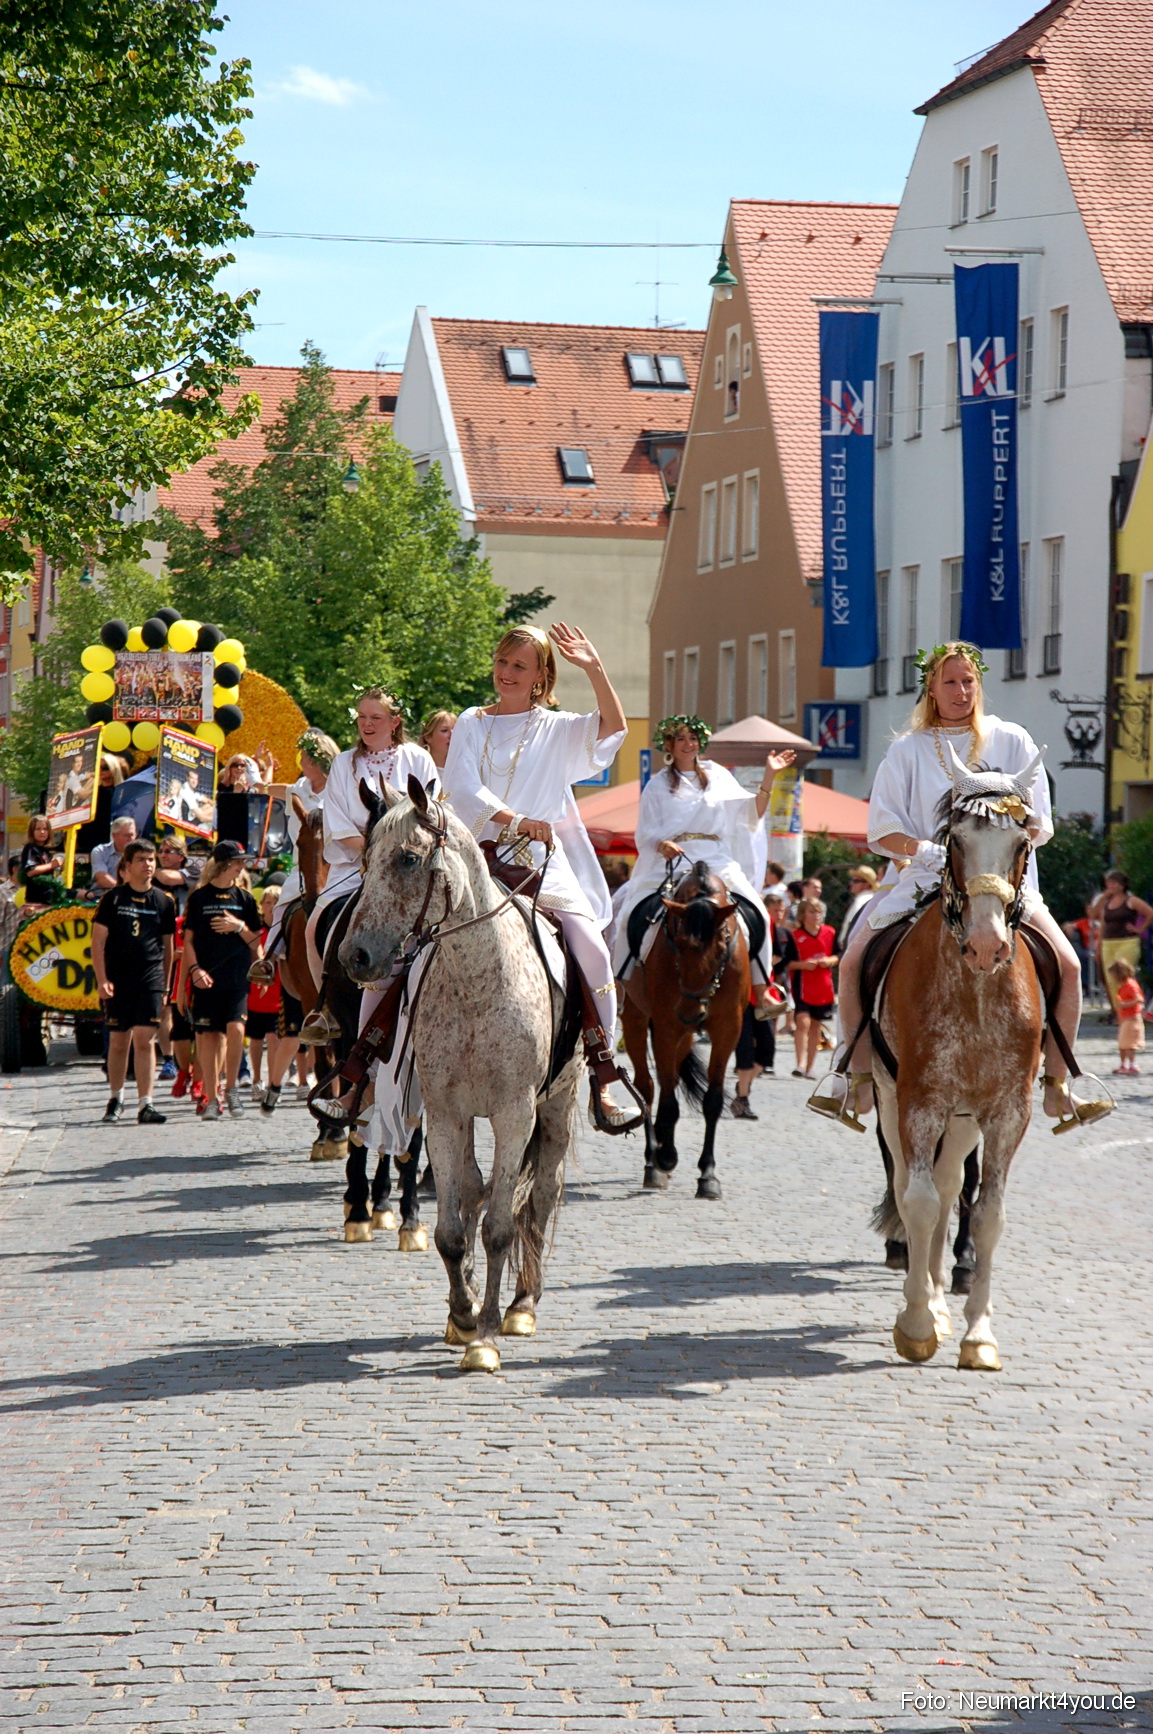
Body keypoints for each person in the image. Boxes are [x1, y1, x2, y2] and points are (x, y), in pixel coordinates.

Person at [808, 641, 1110, 1133]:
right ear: (930, 686)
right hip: (921, 879)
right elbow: (880, 831)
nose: (961, 690)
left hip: (1001, 886)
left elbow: (1040, 824)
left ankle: (1062, 1082)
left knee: (1071, 965)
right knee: (853, 959)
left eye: (968, 681)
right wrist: (928, 851)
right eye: (949, 681)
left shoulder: (1012, 739)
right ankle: (852, 1073)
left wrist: (998, 842)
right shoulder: (907, 750)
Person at [444, 622, 631, 1125]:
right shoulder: (470, 721)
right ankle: (375, 1062)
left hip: (538, 861)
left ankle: (604, 1070)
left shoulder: (557, 728)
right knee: (407, 936)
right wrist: (512, 819)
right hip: (474, 856)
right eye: (502, 661)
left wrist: (594, 667)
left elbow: (614, 728)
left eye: (519, 665)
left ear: (541, 675)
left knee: (590, 944)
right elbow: (459, 785)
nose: (506, 673)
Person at [611, 715, 795, 999]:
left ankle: (761, 989)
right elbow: (645, 832)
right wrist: (662, 844)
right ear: (669, 745)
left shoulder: (718, 776)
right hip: (670, 864)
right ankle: (620, 985)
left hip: (717, 860)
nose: (688, 744)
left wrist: (770, 774)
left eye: (693, 738)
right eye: (681, 739)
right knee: (628, 914)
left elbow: (752, 812)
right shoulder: (657, 785)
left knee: (758, 910)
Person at [300, 692, 437, 1043]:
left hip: (409, 868)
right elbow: (337, 822)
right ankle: (326, 1007)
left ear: (395, 722)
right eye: (361, 716)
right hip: (356, 863)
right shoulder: (344, 763)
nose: (367, 724)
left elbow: (433, 810)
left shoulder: (418, 758)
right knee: (314, 922)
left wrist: (396, 852)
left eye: (376, 717)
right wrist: (374, 852)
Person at [91, 840, 176, 1125]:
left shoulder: (164, 901)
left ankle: (146, 1103)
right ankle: (116, 1098)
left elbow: (169, 947)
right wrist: (102, 979)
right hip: (118, 978)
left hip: (150, 977)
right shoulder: (113, 899)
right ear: (127, 866)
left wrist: (166, 986)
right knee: (118, 1042)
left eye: (151, 859)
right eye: (141, 859)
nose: (148, 865)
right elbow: (97, 942)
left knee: (144, 1039)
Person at [179, 841, 263, 1119]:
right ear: (225, 864)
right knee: (209, 1038)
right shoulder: (199, 897)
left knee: (237, 1031)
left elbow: (256, 944)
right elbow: (188, 941)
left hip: (237, 977)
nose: (242, 867)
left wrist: (238, 926)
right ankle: (211, 1097)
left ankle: (232, 1090)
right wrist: (195, 970)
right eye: (238, 862)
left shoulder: (245, 899)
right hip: (206, 978)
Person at [262, 727, 337, 967]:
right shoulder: (298, 789)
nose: (301, 761)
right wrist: (258, 780)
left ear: (317, 761)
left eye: (305, 757)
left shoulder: (341, 790)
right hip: (302, 867)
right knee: (282, 905)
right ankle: (269, 959)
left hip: (338, 865)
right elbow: (267, 789)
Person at [782, 897, 838, 1079]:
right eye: (812, 912)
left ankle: (810, 1067)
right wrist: (803, 965)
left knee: (815, 1026)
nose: (816, 916)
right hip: (802, 984)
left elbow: (839, 954)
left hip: (823, 986)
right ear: (803, 914)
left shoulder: (830, 932)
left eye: (818, 912)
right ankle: (800, 1063)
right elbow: (787, 963)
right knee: (803, 1022)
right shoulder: (795, 936)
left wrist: (829, 961)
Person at [1090, 870, 1152, 1014]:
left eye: (1113, 882)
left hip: (1127, 941)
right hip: (1108, 942)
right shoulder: (1107, 902)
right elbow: (1094, 915)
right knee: (1111, 978)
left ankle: (1132, 1008)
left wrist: (1139, 929)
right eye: (1108, 882)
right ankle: (1120, 1012)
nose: (1109, 885)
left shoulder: (1131, 900)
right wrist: (1103, 898)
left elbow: (1150, 913)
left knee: (1123, 975)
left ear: (1122, 885)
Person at [247, 886, 286, 1101]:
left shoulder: (284, 931)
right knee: (254, 1039)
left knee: (274, 1039)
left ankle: (273, 1082)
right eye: (267, 903)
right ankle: (256, 1080)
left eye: (275, 903)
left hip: (277, 992)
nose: (270, 907)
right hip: (255, 993)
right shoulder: (258, 932)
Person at [1108, 958, 1144, 1076]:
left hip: (1132, 1019)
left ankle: (1133, 1065)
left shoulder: (1130, 985)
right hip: (1125, 1019)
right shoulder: (1123, 986)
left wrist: (1125, 1005)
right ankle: (1124, 1065)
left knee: (1129, 1045)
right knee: (1122, 1044)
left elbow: (1139, 999)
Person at [19, 815, 63, 906]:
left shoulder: (46, 850)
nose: (42, 832)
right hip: (36, 901)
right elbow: (30, 871)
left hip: (48, 898)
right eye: (38, 829)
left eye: (45, 829)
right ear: (32, 831)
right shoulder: (30, 848)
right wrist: (51, 865)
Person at [839, 864, 878, 951]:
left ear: (867, 884)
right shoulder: (874, 899)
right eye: (852, 880)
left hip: (854, 948)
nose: (851, 883)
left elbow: (851, 925)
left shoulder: (861, 901)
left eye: (856, 881)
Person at [91, 816, 137, 890]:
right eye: (127, 835)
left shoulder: (139, 853)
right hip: (102, 896)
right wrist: (126, 890)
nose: (130, 839)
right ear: (114, 836)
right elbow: (102, 879)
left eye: (132, 835)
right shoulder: (100, 851)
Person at [419, 708, 458, 773]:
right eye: (444, 730)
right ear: (428, 737)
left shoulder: (465, 770)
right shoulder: (417, 768)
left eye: (455, 730)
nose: (452, 735)